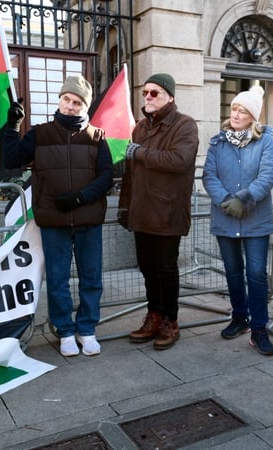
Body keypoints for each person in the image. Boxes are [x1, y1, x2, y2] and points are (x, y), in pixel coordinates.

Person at [3, 74, 113, 357]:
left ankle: (87, 330)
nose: (71, 106)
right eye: (67, 99)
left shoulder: (97, 136)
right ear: (60, 100)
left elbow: (106, 177)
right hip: (54, 221)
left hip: (88, 219)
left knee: (91, 278)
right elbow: (11, 159)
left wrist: (80, 197)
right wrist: (12, 125)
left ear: (84, 106)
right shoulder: (40, 134)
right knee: (58, 279)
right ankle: (64, 331)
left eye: (77, 102)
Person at [117, 73, 199, 350]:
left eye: (155, 93)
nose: (148, 97)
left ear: (170, 96)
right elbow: (130, 174)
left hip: (167, 212)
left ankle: (170, 321)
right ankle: (154, 316)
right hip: (142, 212)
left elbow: (180, 160)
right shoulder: (140, 127)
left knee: (166, 269)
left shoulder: (184, 124)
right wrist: (125, 207)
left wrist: (139, 153)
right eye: (145, 93)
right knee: (148, 268)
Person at [202, 85, 273, 356]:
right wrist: (226, 200)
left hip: (255, 220)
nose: (236, 114)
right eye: (234, 108)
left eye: (243, 111)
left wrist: (244, 200)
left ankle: (259, 328)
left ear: (252, 116)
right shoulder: (218, 142)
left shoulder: (265, 141)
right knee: (233, 271)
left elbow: (267, 175)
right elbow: (208, 175)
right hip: (225, 219)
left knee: (255, 274)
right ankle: (239, 317)